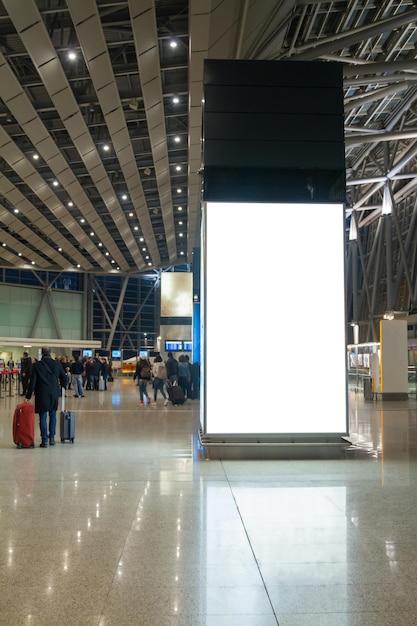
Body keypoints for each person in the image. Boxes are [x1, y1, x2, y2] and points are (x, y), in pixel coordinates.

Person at [25, 346, 68, 447]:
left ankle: (44, 440)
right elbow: (65, 378)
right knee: (53, 415)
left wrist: (28, 396)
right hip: (54, 393)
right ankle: (52, 438)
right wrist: (62, 387)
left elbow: (32, 382)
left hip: (42, 393)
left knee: (43, 416)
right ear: (50, 353)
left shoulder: (37, 366)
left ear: (42, 353)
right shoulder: (57, 364)